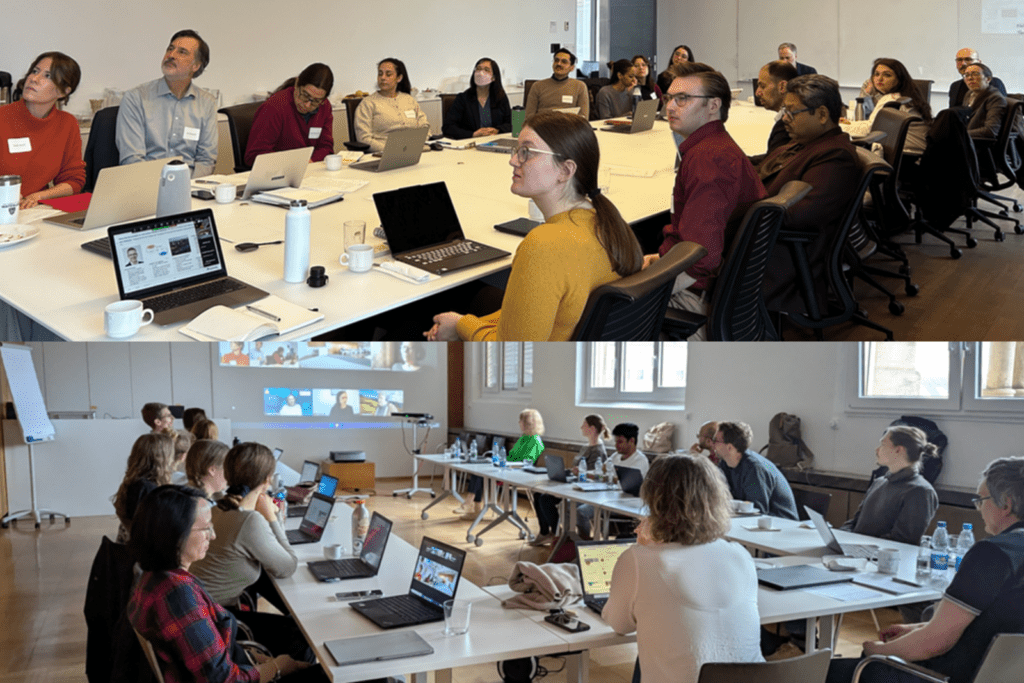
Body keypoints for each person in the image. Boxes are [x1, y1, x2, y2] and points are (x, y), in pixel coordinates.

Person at [424, 111, 643, 341]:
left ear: (565, 170)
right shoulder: (604, 222)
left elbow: (511, 357)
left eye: (526, 152)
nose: (513, 160)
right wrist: (471, 323)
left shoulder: (544, 246)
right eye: (517, 150)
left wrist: (461, 326)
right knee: (483, 297)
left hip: (537, 370)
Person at [826, 456, 1024, 683]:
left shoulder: (993, 554)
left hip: (945, 676)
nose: (978, 508)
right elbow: (996, 621)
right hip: (1005, 673)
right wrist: (919, 628)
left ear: (1006, 504)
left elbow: (934, 643)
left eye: (981, 500)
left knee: (824, 672)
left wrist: (875, 650)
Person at [126, 485, 318, 683]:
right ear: (176, 534)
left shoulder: (150, 576)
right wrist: (279, 667)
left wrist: (256, 660)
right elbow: (225, 680)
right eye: (205, 528)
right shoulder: (178, 596)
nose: (213, 535)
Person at [603, 454, 764, 683]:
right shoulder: (740, 554)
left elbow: (619, 624)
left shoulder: (639, 560)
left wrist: (644, 550)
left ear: (654, 500)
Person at [644, 62, 766, 338]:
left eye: (682, 99)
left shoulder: (710, 160)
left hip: (695, 296)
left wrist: (648, 286)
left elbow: (701, 256)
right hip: (712, 284)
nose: (670, 107)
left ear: (713, 106)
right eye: (669, 98)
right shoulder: (712, 148)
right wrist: (660, 260)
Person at [190, 442, 311, 666]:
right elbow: (288, 566)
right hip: (217, 623)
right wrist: (273, 518)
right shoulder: (249, 520)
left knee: (266, 580)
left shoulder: (216, 508)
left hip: (201, 614)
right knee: (302, 634)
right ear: (267, 480)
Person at [755, 74, 860, 318]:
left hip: (774, 256)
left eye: (792, 112)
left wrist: (738, 206)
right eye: (784, 111)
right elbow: (765, 164)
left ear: (822, 115)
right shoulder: (806, 142)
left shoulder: (834, 156)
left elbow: (799, 214)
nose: (785, 119)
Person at [116, 29, 218, 177]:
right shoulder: (136, 98)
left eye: (182, 52)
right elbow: (132, 159)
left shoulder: (207, 102)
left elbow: (206, 160)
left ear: (196, 66)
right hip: (147, 185)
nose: (171, 55)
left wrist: (192, 190)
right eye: (170, 49)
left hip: (189, 186)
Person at [0, 52, 85, 209]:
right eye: (34, 71)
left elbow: (73, 180)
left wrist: (38, 196)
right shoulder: (2, 118)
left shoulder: (67, 123)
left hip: (37, 209)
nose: (34, 79)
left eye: (47, 76)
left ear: (63, 92)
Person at [839, 426, 939, 545]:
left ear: (898, 450)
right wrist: (840, 538)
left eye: (883, 444)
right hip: (855, 552)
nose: (877, 449)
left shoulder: (921, 491)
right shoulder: (879, 482)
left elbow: (901, 541)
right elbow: (855, 523)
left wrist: (856, 545)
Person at [531, 414, 611, 546]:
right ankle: (547, 533)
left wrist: (578, 473)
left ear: (591, 428)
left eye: (584, 425)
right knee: (538, 494)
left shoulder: (598, 450)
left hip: (582, 489)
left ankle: (562, 535)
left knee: (545, 499)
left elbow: (594, 477)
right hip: (573, 482)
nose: (581, 427)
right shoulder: (587, 446)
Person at [245, 63, 335, 167]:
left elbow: (326, 147)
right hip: (277, 173)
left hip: (309, 171)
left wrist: (311, 161)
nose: (307, 104)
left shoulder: (324, 107)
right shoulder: (274, 107)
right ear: (297, 84)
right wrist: (295, 163)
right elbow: (255, 155)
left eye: (316, 101)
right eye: (305, 95)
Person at [841, 58, 932, 154]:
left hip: (907, 156)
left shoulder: (892, 98)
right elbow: (872, 125)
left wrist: (836, 127)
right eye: (876, 74)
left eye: (887, 75)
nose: (879, 79)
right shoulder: (905, 96)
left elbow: (870, 130)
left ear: (899, 79)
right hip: (915, 154)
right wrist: (848, 125)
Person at [575, 422, 648, 540]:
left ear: (632, 441)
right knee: (569, 505)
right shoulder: (615, 456)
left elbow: (622, 484)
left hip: (624, 502)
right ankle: (571, 540)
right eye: (616, 442)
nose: (616, 445)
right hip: (607, 497)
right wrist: (583, 473)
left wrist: (602, 477)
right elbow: (600, 471)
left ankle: (584, 544)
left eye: (620, 442)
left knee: (582, 512)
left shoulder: (640, 461)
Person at [713, 421, 798, 519]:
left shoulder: (755, 469)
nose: (713, 444)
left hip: (780, 524)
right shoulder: (725, 464)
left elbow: (756, 512)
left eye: (716, 440)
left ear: (729, 447)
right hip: (755, 523)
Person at [353, 58, 429, 153]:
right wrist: (394, 150)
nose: (383, 77)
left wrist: (417, 144)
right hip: (384, 154)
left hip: (414, 151)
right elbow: (364, 138)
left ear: (399, 78)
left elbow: (425, 126)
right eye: (380, 74)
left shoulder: (409, 100)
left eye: (388, 74)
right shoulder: (368, 104)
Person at [113, 432, 176, 542]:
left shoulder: (136, 483)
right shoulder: (146, 489)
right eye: (170, 454)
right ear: (161, 458)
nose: (172, 459)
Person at [442, 58, 512, 139]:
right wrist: (473, 134)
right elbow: (448, 127)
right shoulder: (462, 98)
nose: (481, 73)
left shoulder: (500, 97)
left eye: (486, 70)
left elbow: (511, 124)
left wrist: (497, 130)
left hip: (496, 142)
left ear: (494, 77)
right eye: (478, 69)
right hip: (470, 144)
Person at [751, 60, 798, 165]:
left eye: (762, 86)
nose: (757, 93)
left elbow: (772, 166)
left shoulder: (787, 124)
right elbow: (773, 155)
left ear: (782, 87)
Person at [524, 48, 589, 119]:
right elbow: (529, 116)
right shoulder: (537, 86)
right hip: (542, 127)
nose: (558, 64)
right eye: (556, 60)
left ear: (572, 68)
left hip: (568, 127)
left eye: (564, 62)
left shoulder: (580, 86)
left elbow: (583, 117)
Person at [962, 62, 1007, 140]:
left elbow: (991, 130)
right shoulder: (969, 94)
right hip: (966, 140)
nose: (969, 78)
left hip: (979, 144)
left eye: (975, 74)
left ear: (988, 79)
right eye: (966, 75)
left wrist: (960, 134)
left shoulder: (995, 98)